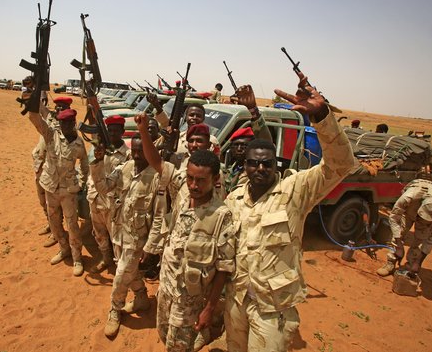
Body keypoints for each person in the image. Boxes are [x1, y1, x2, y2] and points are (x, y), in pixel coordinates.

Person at [223, 72, 355, 352]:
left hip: (273, 311)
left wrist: (322, 119)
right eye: (253, 164)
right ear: (244, 165)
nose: (260, 169)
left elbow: (341, 165)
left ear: (275, 165)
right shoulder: (234, 199)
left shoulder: (295, 191)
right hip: (236, 303)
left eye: (267, 164)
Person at [136, 116, 235, 352]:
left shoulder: (221, 215)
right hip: (166, 288)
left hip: (190, 300)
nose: (193, 185)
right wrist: (143, 131)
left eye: (201, 180)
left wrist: (209, 308)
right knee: (163, 334)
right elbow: (157, 162)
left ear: (215, 180)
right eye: (190, 178)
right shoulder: (180, 184)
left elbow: (224, 267)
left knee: (178, 347)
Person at [90, 135, 165, 339]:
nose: (138, 155)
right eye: (135, 151)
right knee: (131, 273)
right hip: (118, 232)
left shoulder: (157, 177)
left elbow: (159, 216)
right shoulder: (125, 168)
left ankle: (115, 308)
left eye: (142, 151)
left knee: (121, 275)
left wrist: (151, 247)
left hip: (138, 239)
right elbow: (104, 187)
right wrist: (97, 163)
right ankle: (141, 297)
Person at [27, 90, 88, 275]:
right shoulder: (50, 134)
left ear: (73, 123)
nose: (64, 126)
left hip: (68, 191)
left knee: (72, 225)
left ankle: (77, 258)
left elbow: (85, 168)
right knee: (54, 222)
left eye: (68, 123)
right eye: (62, 122)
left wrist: (80, 185)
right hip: (50, 187)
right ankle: (64, 249)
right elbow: (34, 117)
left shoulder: (79, 144)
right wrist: (35, 92)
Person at [376, 179, 432, 278]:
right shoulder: (409, 197)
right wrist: (399, 244)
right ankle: (391, 262)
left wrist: (419, 262)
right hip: (409, 211)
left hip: (426, 222)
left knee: (420, 240)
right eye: (422, 217)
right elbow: (393, 218)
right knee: (400, 232)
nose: (421, 220)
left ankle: (410, 267)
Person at [86, 115, 131, 272]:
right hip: (95, 197)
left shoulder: (127, 155)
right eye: (109, 130)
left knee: (116, 237)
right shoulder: (98, 148)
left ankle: (119, 266)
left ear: (122, 132)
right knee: (99, 233)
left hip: (112, 203)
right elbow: (89, 168)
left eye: (115, 131)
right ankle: (105, 259)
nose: (112, 134)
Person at [221, 85, 273, 194]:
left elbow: (266, 144)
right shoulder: (233, 169)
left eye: (244, 146)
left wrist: (253, 110)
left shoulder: (257, 172)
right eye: (236, 145)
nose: (239, 149)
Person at [147, 95, 220, 156]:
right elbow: (166, 123)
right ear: (186, 117)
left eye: (198, 116)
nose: (194, 118)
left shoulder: (212, 140)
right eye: (191, 115)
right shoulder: (178, 137)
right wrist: (156, 105)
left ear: (203, 118)